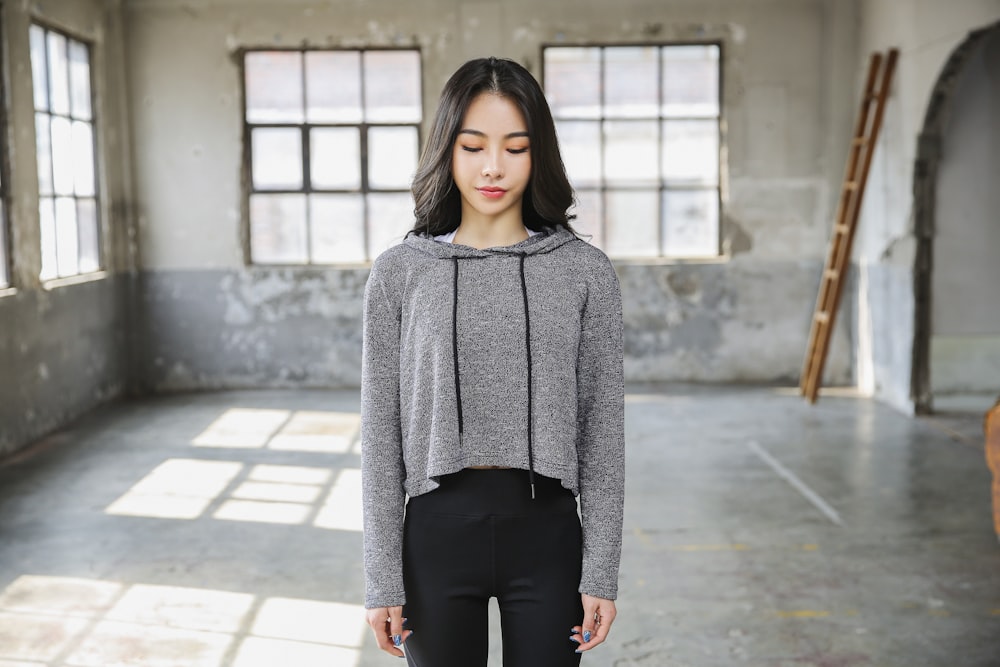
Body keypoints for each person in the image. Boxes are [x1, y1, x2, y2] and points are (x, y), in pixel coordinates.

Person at [361, 56, 625, 666]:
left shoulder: (585, 273)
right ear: (446, 151)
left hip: (550, 537)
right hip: (433, 537)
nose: (492, 167)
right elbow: (380, 433)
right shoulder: (400, 273)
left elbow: (602, 431)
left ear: (539, 156)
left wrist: (602, 569)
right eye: (473, 145)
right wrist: (381, 578)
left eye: (515, 147)